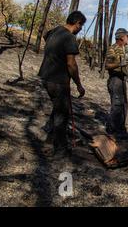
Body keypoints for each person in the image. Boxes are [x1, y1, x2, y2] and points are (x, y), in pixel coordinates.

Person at [38, 11, 87, 156]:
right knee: (62, 114)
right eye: (81, 25)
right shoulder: (69, 38)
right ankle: (60, 148)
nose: (81, 29)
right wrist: (78, 84)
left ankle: (48, 136)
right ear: (77, 23)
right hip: (58, 81)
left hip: (45, 76)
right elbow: (71, 64)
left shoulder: (54, 31)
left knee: (58, 108)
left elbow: (45, 36)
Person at [105, 28, 128, 134]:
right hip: (115, 80)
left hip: (121, 79)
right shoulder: (113, 49)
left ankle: (120, 128)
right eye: (127, 36)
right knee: (117, 105)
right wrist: (119, 64)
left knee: (124, 104)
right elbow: (107, 65)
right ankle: (113, 131)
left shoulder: (123, 49)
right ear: (121, 37)